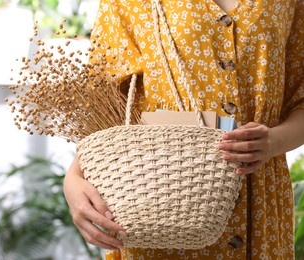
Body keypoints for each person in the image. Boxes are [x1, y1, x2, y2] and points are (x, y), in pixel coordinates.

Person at [63, 0, 304, 258]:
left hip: (260, 209)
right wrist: (74, 178)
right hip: (160, 201)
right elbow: (107, 104)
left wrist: (274, 142)